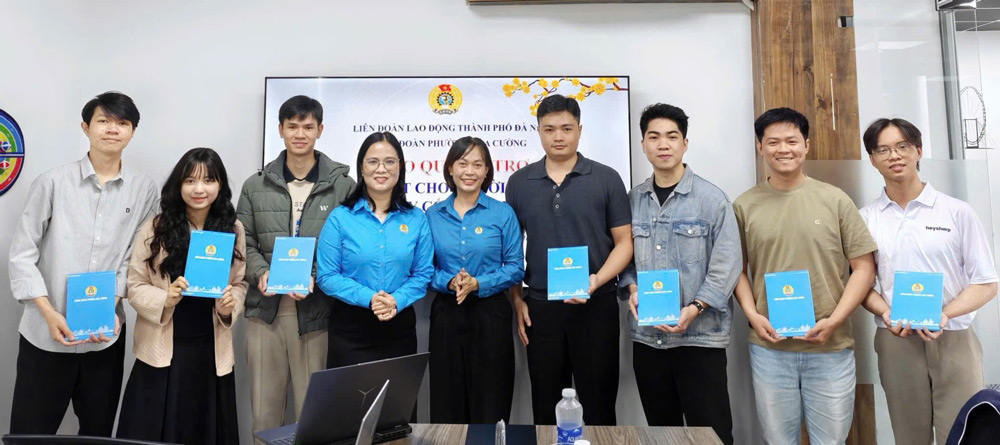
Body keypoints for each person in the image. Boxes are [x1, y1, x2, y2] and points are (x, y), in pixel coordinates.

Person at [7, 92, 159, 435]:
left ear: (132, 132)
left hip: (103, 339)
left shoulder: (143, 190)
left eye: (122, 123)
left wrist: (112, 305)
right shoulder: (52, 182)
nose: (112, 130)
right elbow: (22, 255)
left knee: (97, 433)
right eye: (103, 121)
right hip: (45, 337)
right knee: (30, 433)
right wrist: (48, 313)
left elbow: (137, 259)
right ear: (85, 127)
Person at [733, 107, 877, 444]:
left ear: (806, 145)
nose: (783, 149)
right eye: (773, 142)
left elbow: (864, 267)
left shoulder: (835, 200)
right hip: (770, 349)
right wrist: (753, 316)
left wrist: (836, 319)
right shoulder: (744, 205)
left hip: (831, 347)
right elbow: (736, 271)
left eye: (792, 141)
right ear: (760, 147)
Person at [858, 118, 998, 445]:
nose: (894, 155)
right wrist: (887, 313)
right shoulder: (866, 219)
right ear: (872, 159)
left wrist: (945, 313)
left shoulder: (956, 212)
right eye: (884, 149)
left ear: (918, 150)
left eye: (903, 146)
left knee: (963, 431)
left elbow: (986, 282)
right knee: (908, 435)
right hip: (896, 338)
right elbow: (861, 284)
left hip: (954, 336)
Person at [505, 94, 633, 426]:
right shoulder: (519, 183)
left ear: (579, 130)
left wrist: (597, 280)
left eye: (566, 128)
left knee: (600, 403)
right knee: (546, 404)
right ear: (538, 131)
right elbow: (510, 251)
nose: (558, 137)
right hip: (541, 307)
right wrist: (517, 299)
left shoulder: (606, 178)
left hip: (596, 302)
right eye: (549, 129)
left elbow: (624, 243)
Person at [619, 104, 740, 444]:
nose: (663, 144)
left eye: (672, 136)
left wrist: (696, 307)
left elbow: (727, 265)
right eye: (654, 137)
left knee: (711, 434)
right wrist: (630, 289)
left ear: (685, 143)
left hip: (700, 338)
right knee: (662, 434)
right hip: (648, 340)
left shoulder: (712, 199)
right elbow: (624, 259)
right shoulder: (632, 200)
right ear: (643, 144)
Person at [236, 95, 355, 440]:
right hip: (266, 311)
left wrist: (318, 276)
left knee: (313, 414)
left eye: (307, 126)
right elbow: (244, 242)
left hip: (316, 311)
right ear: (280, 130)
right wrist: (261, 273)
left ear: (320, 130)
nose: (299, 133)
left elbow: (348, 244)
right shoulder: (255, 185)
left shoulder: (342, 185)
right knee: (265, 413)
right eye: (292, 126)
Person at [116, 148, 246, 444]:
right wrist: (166, 297)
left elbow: (239, 283)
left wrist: (229, 305)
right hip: (163, 350)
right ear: (179, 185)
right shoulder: (155, 227)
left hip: (210, 350)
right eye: (190, 181)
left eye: (208, 180)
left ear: (220, 185)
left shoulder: (233, 229)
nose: (199, 189)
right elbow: (134, 284)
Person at [426, 136, 524, 424]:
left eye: (477, 164)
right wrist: (448, 281)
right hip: (446, 312)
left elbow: (516, 267)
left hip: (491, 313)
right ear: (450, 169)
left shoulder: (502, 213)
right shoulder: (432, 215)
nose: (469, 171)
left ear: (487, 171)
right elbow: (423, 269)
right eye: (463, 163)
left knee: (491, 401)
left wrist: (479, 283)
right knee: (447, 402)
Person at [316, 131, 433, 368]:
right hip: (350, 329)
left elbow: (423, 274)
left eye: (389, 162)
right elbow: (326, 276)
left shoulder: (416, 219)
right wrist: (369, 298)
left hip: (399, 326)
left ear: (400, 168)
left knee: (398, 403)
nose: (381, 169)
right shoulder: (340, 218)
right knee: (350, 403)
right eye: (373, 162)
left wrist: (396, 300)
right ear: (361, 168)